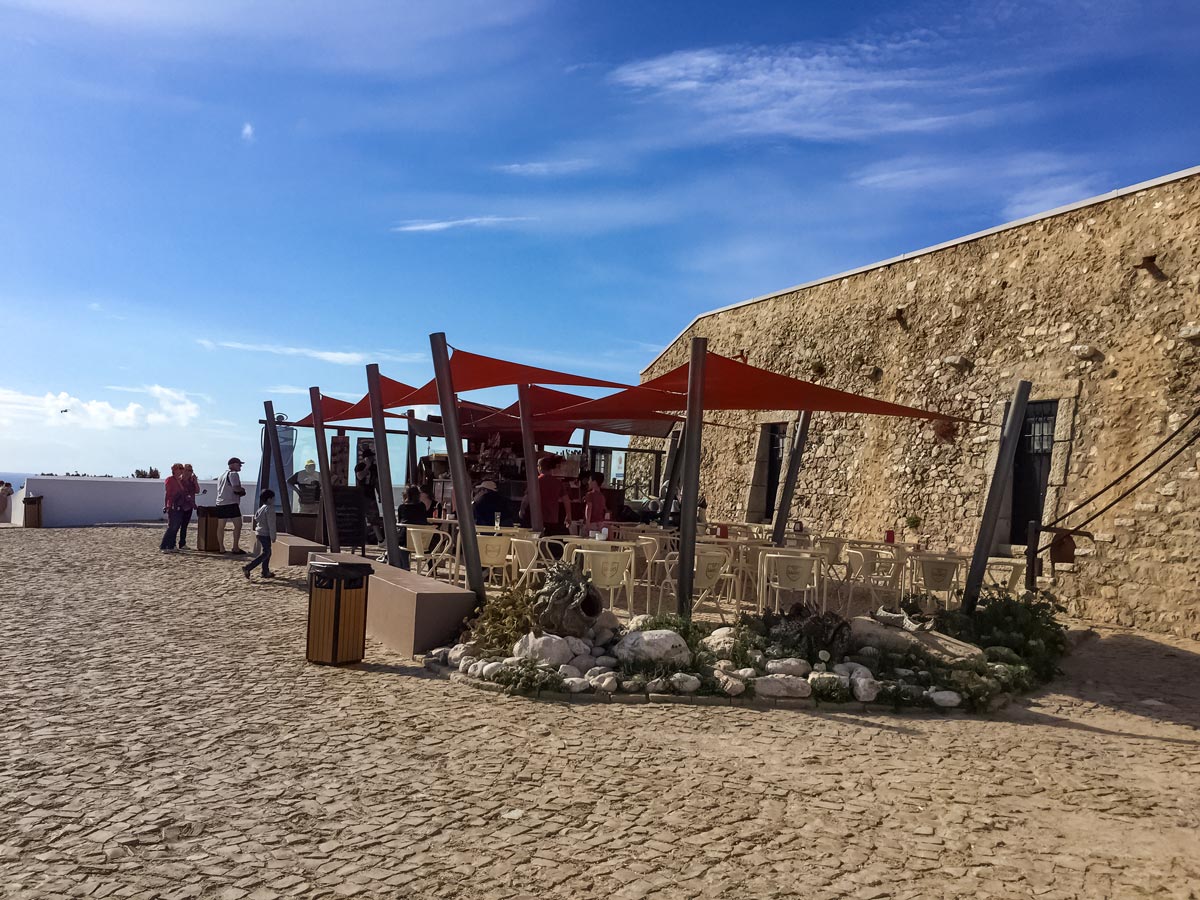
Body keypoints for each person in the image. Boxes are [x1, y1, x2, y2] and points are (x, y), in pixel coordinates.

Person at [522, 455, 572, 537]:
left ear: (540, 467)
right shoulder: (558, 483)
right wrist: (568, 515)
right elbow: (566, 499)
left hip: (536, 518)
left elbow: (526, 498)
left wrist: (522, 508)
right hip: (552, 518)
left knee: (536, 542)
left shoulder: (535, 481)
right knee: (550, 542)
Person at [242, 489, 277, 579]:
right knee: (266, 553)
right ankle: (248, 567)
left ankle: (265, 571)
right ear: (269, 499)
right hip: (265, 533)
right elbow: (271, 523)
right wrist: (273, 536)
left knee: (268, 552)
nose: (274, 500)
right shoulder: (269, 509)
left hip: (259, 532)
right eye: (273, 498)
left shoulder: (262, 508)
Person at [215, 456, 247, 554]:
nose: (240, 466)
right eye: (239, 464)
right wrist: (242, 490)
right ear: (232, 465)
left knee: (221, 526)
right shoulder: (233, 474)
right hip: (231, 503)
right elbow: (236, 488)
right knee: (238, 525)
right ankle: (235, 547)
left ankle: (221, 548)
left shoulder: (221, 475)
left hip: (220, 503)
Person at [396, 485, 428, 570]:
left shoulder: (402, 507)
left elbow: (399, 523)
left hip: (406, 539)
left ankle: (405, 566)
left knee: (400, 540)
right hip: (421, 541)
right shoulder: (422, 506)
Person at [159, 463, 188, 552]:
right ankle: (164, 546)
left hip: (179, 505)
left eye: (182, 468)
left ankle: (171, 545)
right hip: (172, 505)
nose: (181, 470)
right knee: (172, 526)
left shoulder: (180, 480)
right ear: (175, 470)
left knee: (176, 526)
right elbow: (168, 493)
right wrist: (167, 505)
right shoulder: (170, 480)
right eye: (180, 468)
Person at [178, 464, 200, 549]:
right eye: (188, 470)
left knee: (184, 525)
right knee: (175, 525)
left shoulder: (191, 482)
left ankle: (182, 543)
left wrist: (195, 481)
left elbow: (197, 491)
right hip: (180, 505)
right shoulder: (179, 480)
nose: (190, 472)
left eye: (191, 470)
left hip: (189, 506)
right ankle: (171, 543)